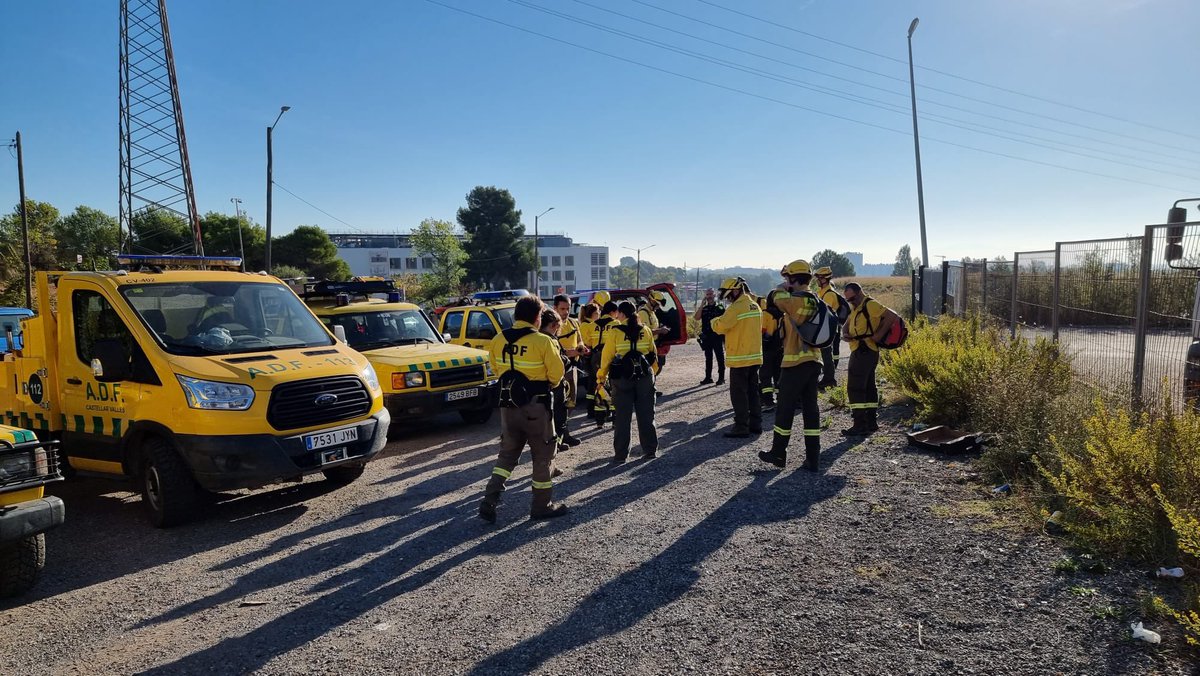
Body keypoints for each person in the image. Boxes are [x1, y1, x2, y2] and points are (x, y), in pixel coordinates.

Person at [478, 296, 567, 523]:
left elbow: (497, 370)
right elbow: (557, 375)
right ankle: (541, 507)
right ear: (538, 318)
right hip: (536, 409)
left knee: (506, 456)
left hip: (508, 408)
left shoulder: (498, 340)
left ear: (516, 315)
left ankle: (490, 499)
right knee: (542, 457)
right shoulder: (543, 341)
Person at [758, 260, 823, 472]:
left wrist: (780, 288)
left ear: (794, 278)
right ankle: (813, 458)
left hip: (795, 364)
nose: (785, 281)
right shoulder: (813, 299)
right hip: (812, 362)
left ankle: (778, 453)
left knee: (784, 410)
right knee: (810, 411)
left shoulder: (798, 300)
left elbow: (775, 298)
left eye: (787, 278)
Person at [597, 301, 659, 462]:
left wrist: (601, 378)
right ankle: (650, 450)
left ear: (621, 314)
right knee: (646, 415)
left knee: (622, 418)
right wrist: (653, 375)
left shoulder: (615, 332)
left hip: (622, 379)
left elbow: (607, 357)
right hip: (644, 378)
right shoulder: (645, 330)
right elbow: (653, 355)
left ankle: (621, 455)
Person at [841, 282, 900, 437]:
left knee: (855, 387)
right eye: (848, 300)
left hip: (864, 350)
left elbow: (892, 316)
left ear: (859, 292)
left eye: (852, 298)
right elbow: (847, 323)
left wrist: (879, 335)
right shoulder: (856, 306)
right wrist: (846, 332)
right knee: (868, 386)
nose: (851, 301)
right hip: (861, 349)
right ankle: (871, 422)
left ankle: (860, 424)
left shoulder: (870, 304)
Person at [711, 277, 763, 438]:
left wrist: (714, 320)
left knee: (739, 394)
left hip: (740, 359)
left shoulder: (736, 308)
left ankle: (741, 426)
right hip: (754, 357)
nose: (727, 298)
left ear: (736, 290)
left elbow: (720, 327)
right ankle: (756, 424)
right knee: (753, 392)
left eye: (728, 295)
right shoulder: (755, 305)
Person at [553, 294, 587, 447]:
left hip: (572, 367)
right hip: (558, 370)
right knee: (559, 406)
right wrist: (571, 352)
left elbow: (579, 338)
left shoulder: (573, 322)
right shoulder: (552, 326)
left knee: (571, 403)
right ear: (555, 308)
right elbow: (553, 350)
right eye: (562, 309)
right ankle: (557, 438)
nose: (565, 312)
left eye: (567, 308)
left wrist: (580, 346)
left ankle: (564, 434)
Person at [539, 309, 572, 454]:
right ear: (553, 325)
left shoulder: (537, 338)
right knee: (558, 417)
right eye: (558, 326)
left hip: (541, 385)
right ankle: (556, 445)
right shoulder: (550, 340)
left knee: (549, 418)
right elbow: (560, 362)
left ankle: (556, 444)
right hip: (555, 385)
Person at [587, 299, 621, 426]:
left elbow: (588, 343)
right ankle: (614, 416)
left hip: (596, 357)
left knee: (599, 385)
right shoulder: (616, 323)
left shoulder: (592, 325)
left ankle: (599, 419)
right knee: (613, 385)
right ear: (613, 312)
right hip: (611, 356)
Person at [814, 266, 844, 389]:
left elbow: (824, 312)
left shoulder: (829, 294)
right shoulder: (823, 292)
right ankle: (828, 378)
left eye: (819, 278)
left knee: (827, 354)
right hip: (825, 327)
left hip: (828, 328)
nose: (817, 280)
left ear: (824, 279)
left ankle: (829, 379)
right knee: (826, 353)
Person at [693, 288, 725, 385]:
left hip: (717, 336)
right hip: (706, 337)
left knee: (720, 357)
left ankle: (721, 378)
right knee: (708, 358)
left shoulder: (719, 307)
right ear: (705, 296)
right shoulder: (704, 308)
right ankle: (708, 377)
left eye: (711, 294)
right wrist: (702, 305)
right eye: (707, 294)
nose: (709, 296)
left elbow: (725, 320)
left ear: (714, 295)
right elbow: (696, 318)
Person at [577, 302, 601, 427]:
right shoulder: (588, 325)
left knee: (592, 384)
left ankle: (591, 410)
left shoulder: (585, 324)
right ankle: (591, 410)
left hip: (588, 358)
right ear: (592, 314)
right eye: (597, 313)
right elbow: (588, 342)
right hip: (590, 357)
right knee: (593, 384)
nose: (599, 315)